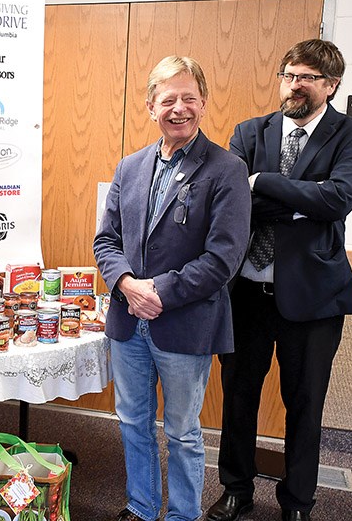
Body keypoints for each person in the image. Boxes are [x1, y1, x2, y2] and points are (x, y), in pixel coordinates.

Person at [205, 39, 352, 521]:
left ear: (331, 84)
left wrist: (260, 183)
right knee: (239, 397)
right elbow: (230, 203)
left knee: (304, 404)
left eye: (306, 77)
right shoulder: (249, 131)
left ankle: (298, 501)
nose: (294, 85)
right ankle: (236, 490)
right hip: (246, 294)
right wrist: (303, 202)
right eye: (289, 74)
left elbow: (339, 199)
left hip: (314, 297)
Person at [94, 56, 251, 521]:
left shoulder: (227, 170)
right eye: (168, 99)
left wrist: (156, 291)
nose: (178, 108)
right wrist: (125, 282)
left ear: (203, 104)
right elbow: (107, 240)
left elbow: (223, 259)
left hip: (184, 324)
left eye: (188, 98)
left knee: (183, 432)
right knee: (133, 423)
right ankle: (141, 507)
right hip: (128, 325)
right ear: (150, 106)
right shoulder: (130, 167)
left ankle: (184, 514)